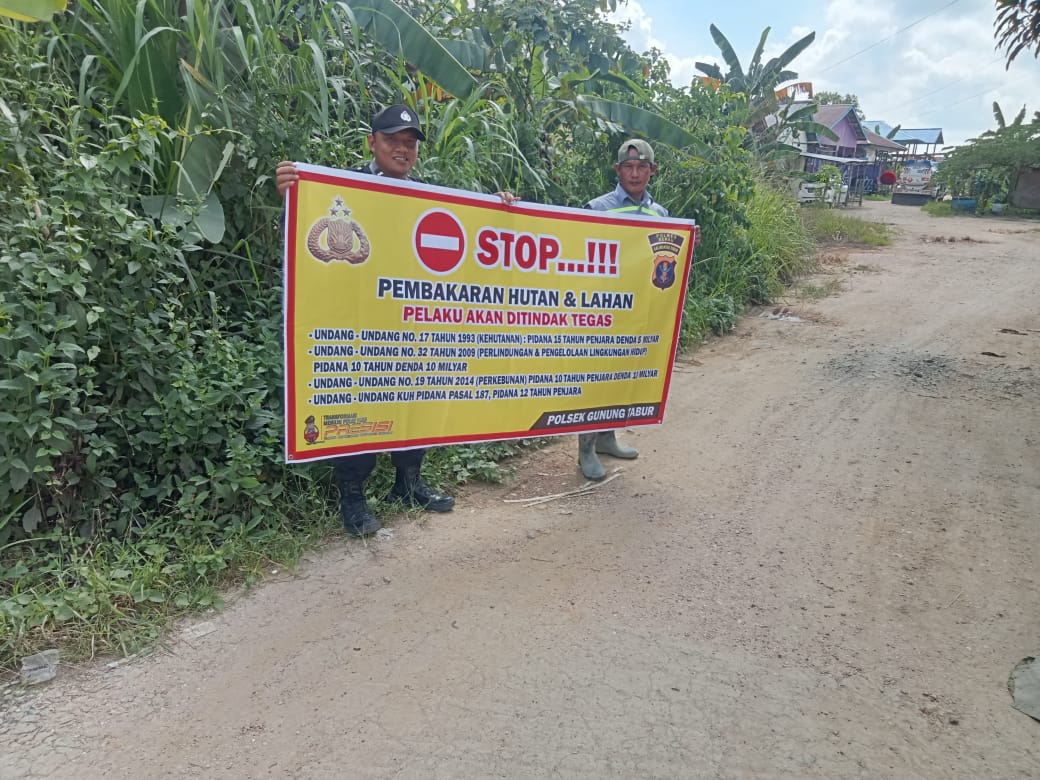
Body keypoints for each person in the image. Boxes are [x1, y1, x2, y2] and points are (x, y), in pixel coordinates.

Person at [276, 103, 515, 536]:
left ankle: (408, 484)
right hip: (359, 323)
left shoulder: (428, 196)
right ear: (372, 142)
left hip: (413, 325)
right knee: (357, 406)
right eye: (392, 140)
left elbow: (471, 245)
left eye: (410, 142)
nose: (402, 149)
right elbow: (303, 241)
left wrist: (500, 212)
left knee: (415, 403)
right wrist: (293, 195)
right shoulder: (340, 188)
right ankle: (353, 499)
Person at [578, 138, 670, 481]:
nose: (634, 174)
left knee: (620, 378)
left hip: (637, 312)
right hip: (603, 311)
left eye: (641, 167)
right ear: (617, 170)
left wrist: (689, 242)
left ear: (652, 170)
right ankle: (585, 448)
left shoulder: (661, 215)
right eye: (628, 167)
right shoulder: (597, 208)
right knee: (595, 380)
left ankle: (607, 437)